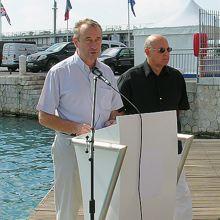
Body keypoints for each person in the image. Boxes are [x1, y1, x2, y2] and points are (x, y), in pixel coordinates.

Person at [36, 18, 123, 220]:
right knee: (68, 207)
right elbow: (44, 117)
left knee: (104, 205)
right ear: (76, 42)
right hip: (70, 146)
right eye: (88, 39)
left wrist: (114, 120)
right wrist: (76, 127)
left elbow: (115, 110)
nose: (94, 45)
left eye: (98, 40)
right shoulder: (59, 72)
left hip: (103, 146)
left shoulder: (107, 72)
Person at [118, 34, 192, 220]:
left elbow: (178, 111)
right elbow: (119, 114)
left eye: (168, 50)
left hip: (171, 145)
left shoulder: (176, 78)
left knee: (180, 192)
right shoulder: (129, 79)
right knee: (143, 195)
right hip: (141, 149)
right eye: (161, 50)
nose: (166, 54)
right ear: (147, 51)